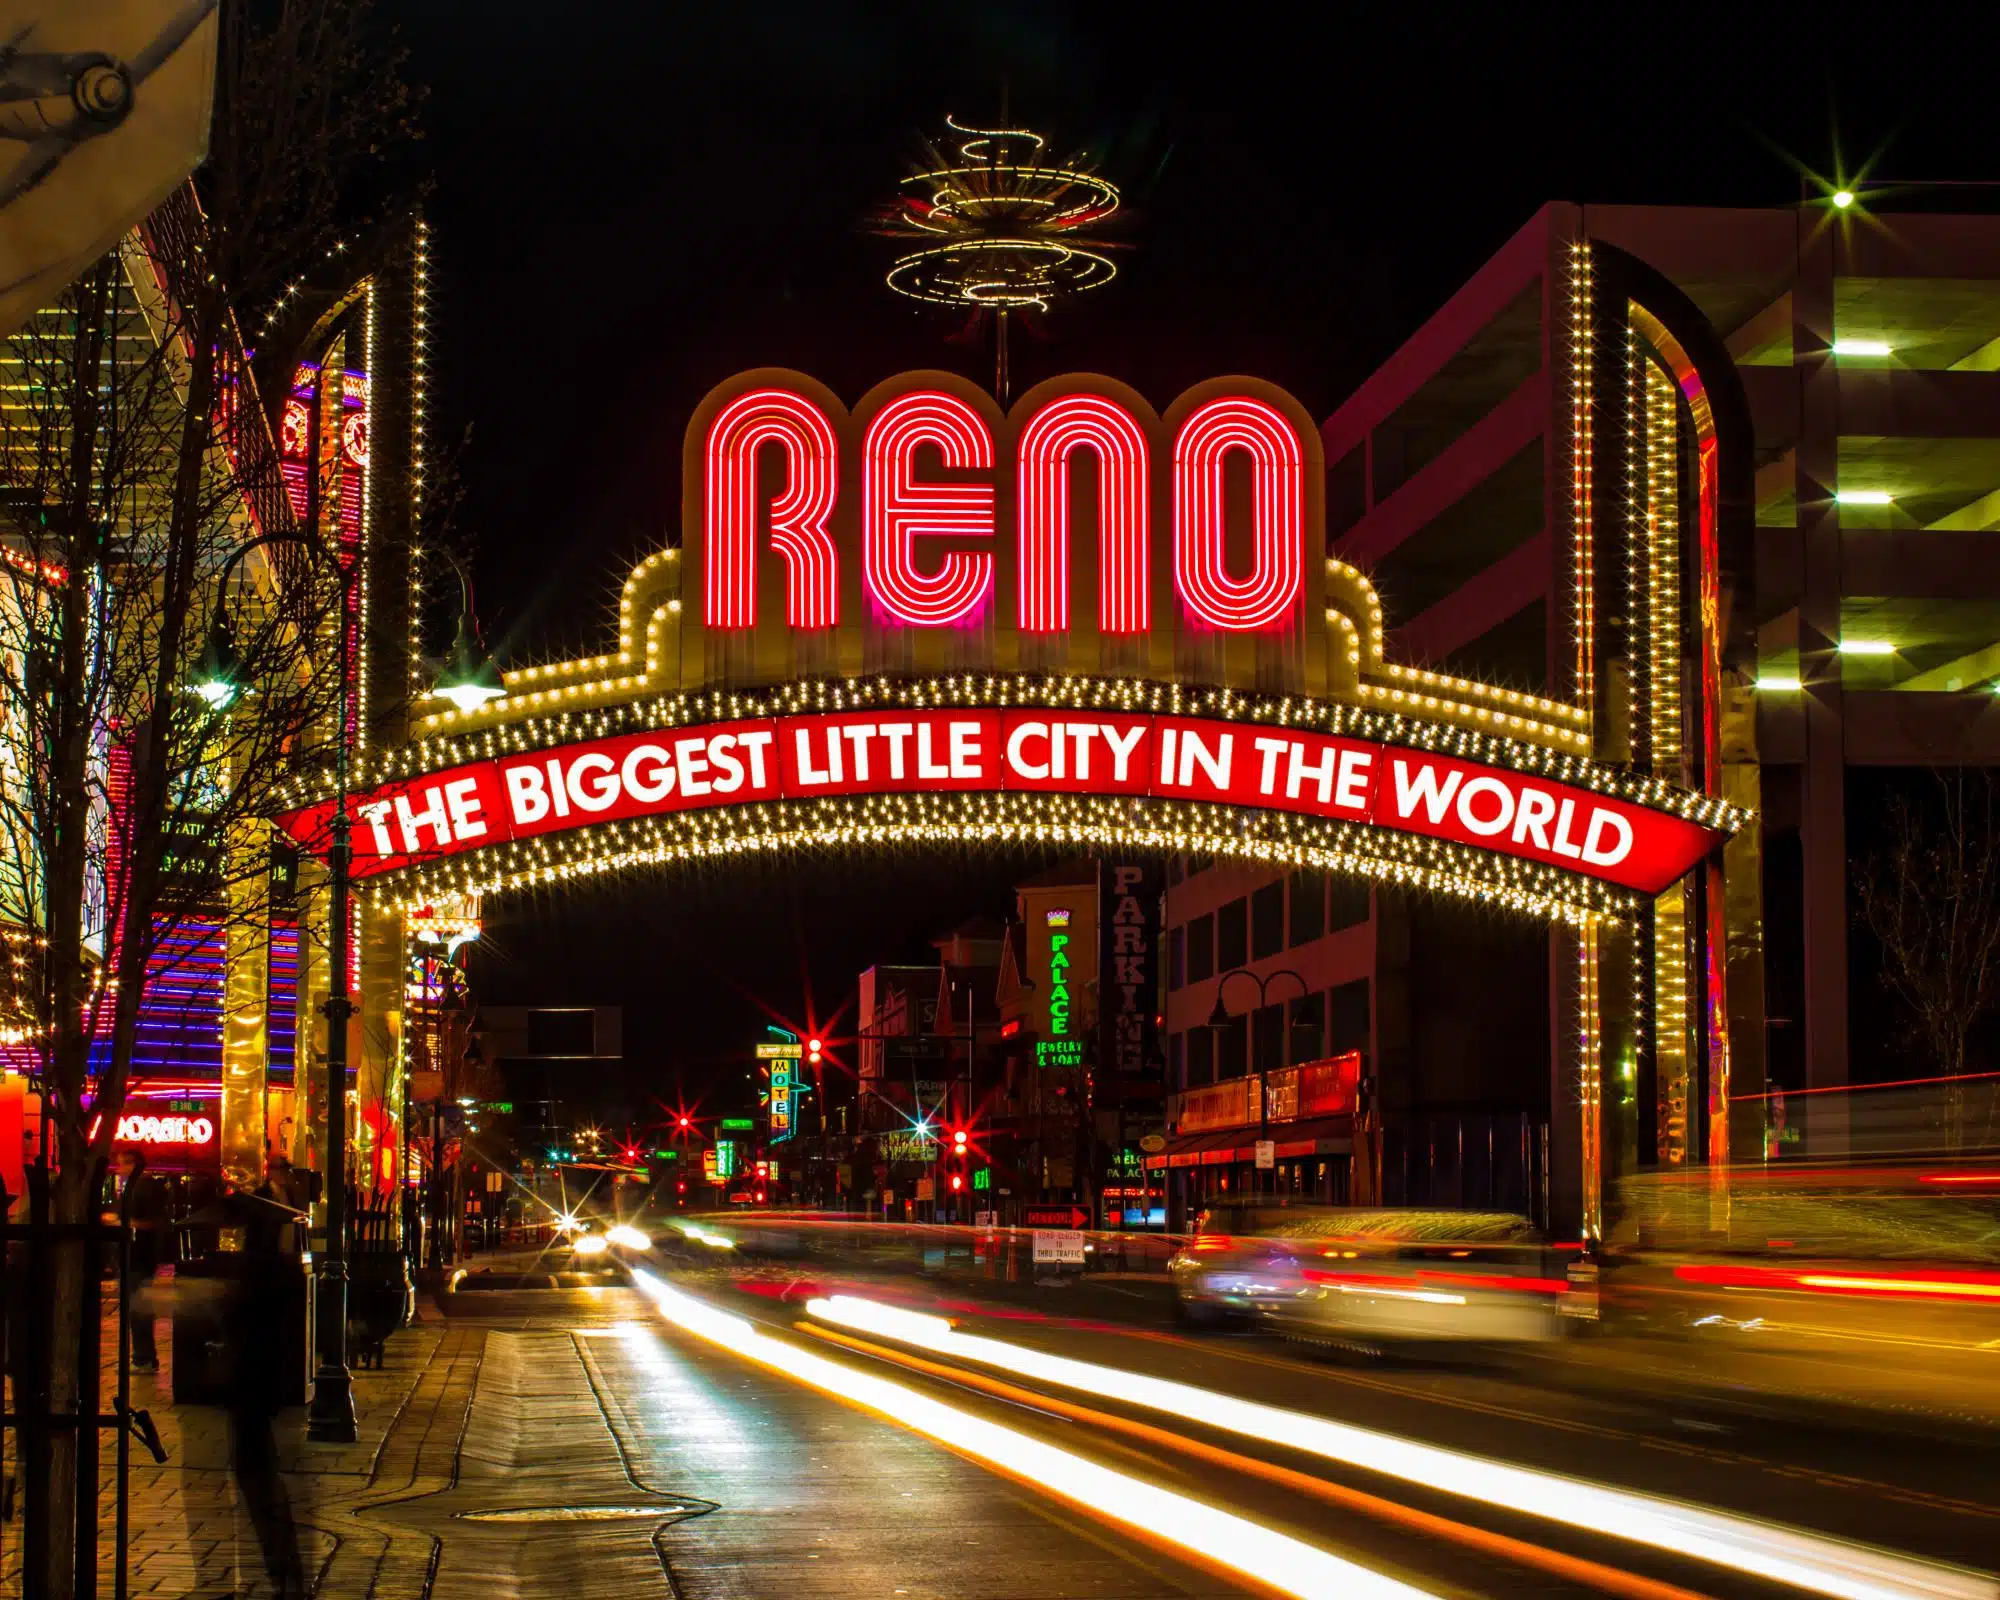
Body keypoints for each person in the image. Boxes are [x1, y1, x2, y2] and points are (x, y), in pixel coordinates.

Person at [113, 1149, 169, 1373]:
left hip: (138, 1258)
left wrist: (122, 1223)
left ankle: (143, 1358)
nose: (119, 1169)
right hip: (138, 1257)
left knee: (138, 1309)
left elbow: (153, 1222)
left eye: (122, 1164)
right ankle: (144, 1356)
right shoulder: (139, 1188)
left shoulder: (142, 1188)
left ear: (132, 1164)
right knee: (137, 1309)